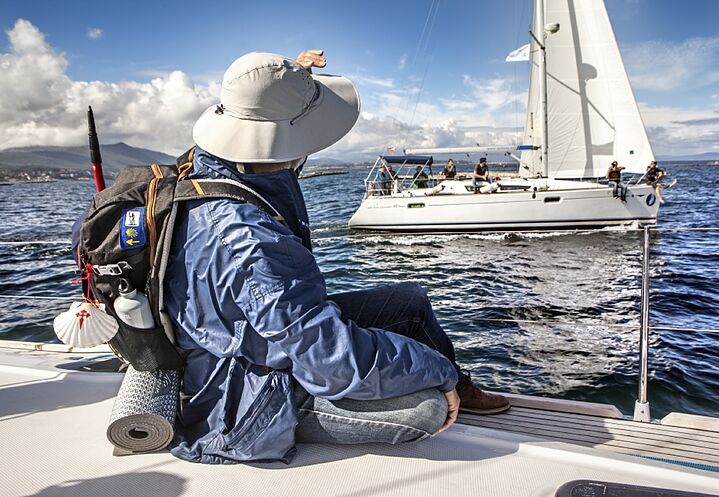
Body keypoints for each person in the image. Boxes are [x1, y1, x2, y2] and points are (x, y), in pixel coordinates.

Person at [164, 50, 510, 466]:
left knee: (410, 301)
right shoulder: (251, 241)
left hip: (260, 339)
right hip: (249, 397)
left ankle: (455, 384)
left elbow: (270, 146)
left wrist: (286, 86)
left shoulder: (216, 167)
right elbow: (332, 362)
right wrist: (438, 370)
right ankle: (451, 385)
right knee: (428, 410)